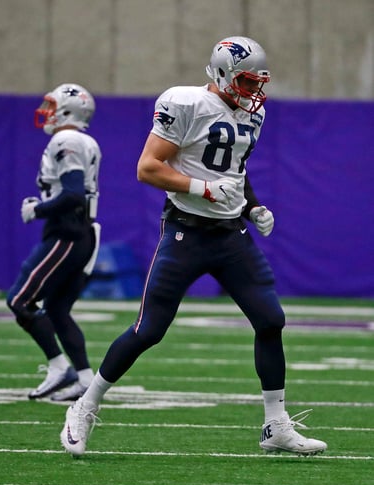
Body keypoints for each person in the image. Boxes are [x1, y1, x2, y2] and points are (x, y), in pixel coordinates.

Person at [60, 37, 327, 456]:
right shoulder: (185, 103)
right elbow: (148, 168)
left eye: (257, 82)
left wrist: (252, 207)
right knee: (149, 330)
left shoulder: (251, 113)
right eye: (244, 80)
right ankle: (84, 404)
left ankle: (276, 425)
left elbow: (233, 170)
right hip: (186, 232)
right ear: (220, 73)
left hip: (230, 234)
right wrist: (202, 188)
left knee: (270, 319)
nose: (253, 90)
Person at [7, 83, 101, 402]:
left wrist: (38, 209)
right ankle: (86, 380)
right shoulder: (81, 140)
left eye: (51, 106)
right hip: (79, 231)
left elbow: (73, 193)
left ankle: (60, 367)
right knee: (58, 310)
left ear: (66, 110)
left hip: (67, 232)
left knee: (19, 300)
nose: (46, 112)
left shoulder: (67, 139)